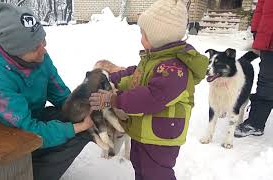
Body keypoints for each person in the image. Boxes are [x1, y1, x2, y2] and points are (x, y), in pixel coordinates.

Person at [0, 2, 93, 180]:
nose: (44, 49)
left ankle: (39, 167)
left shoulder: (39, 58)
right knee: (79, 129)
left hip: (27, 119)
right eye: (35, 46)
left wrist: (82, 109)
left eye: (43, 40)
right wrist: (78, 126)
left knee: (83, 127)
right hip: (0, 134)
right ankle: (27, 174)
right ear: (13, 50)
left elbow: (61, 95)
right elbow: (27, 130)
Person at [89, 0, 208, 179]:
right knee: (142, 169)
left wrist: (114, 99)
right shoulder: (155, 60)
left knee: (157, 174)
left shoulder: (174, 69)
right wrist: (112, 78)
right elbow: (135, 76)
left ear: (160, 36)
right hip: (145, 132)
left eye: (144, 34)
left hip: (161, 138)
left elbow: (151, 98)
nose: (141, 38)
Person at [234, 0, 273, 137]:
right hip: (269, 39)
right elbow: (261, 8)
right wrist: (256, 30)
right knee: (266, 82)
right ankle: (255, 123)